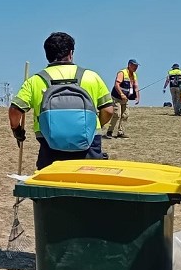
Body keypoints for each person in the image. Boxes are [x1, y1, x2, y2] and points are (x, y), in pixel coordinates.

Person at [9, 32, 114, 169]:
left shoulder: (35, 81)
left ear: (47, 54)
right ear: (71, 53)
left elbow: (15, 110)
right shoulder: (91, 77)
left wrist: (17, 130)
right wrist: (94, 124)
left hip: (50, 148)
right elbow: (108, 110)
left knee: (53, 186)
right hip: (89, 147)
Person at [106, 59, 140, 138]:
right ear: (129, 65)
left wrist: (137, 97)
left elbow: (136, 86)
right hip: (116, 97)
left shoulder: (134, 75)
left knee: (125, 114)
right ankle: (109, 132)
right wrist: (121, 94)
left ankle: (120, 132)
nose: (136, 68)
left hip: (125, 98)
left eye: (137, 66)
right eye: (134, 66)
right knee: (117, 114)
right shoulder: (122, 73)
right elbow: (116, 84)